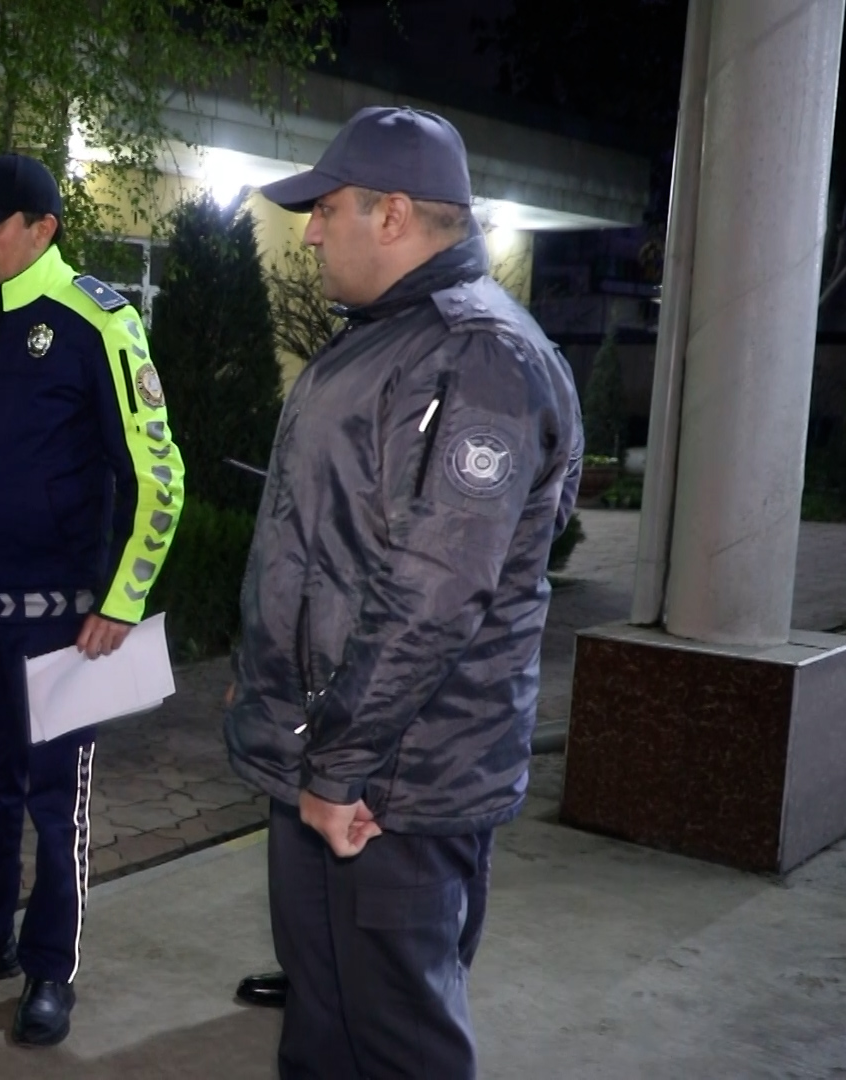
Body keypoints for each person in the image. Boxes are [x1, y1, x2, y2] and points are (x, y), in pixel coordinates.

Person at [224, 106, 582, 1079]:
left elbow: (434, 594)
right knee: (324, 1033)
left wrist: (340, 769)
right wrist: (268, 679)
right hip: (332, 765)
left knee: (396, 1046)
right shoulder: (385, 342)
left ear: (389, 214)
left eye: (325, 208)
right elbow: (326, 550)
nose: (309, 232)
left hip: (396, 789)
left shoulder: (480, 359)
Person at [0, 153, 186, 1048]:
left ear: (42, 229)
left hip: (65, 629)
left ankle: (50, 968)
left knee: (57, 807)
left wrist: (124, 601)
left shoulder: (99, 322)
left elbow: (160, 477)